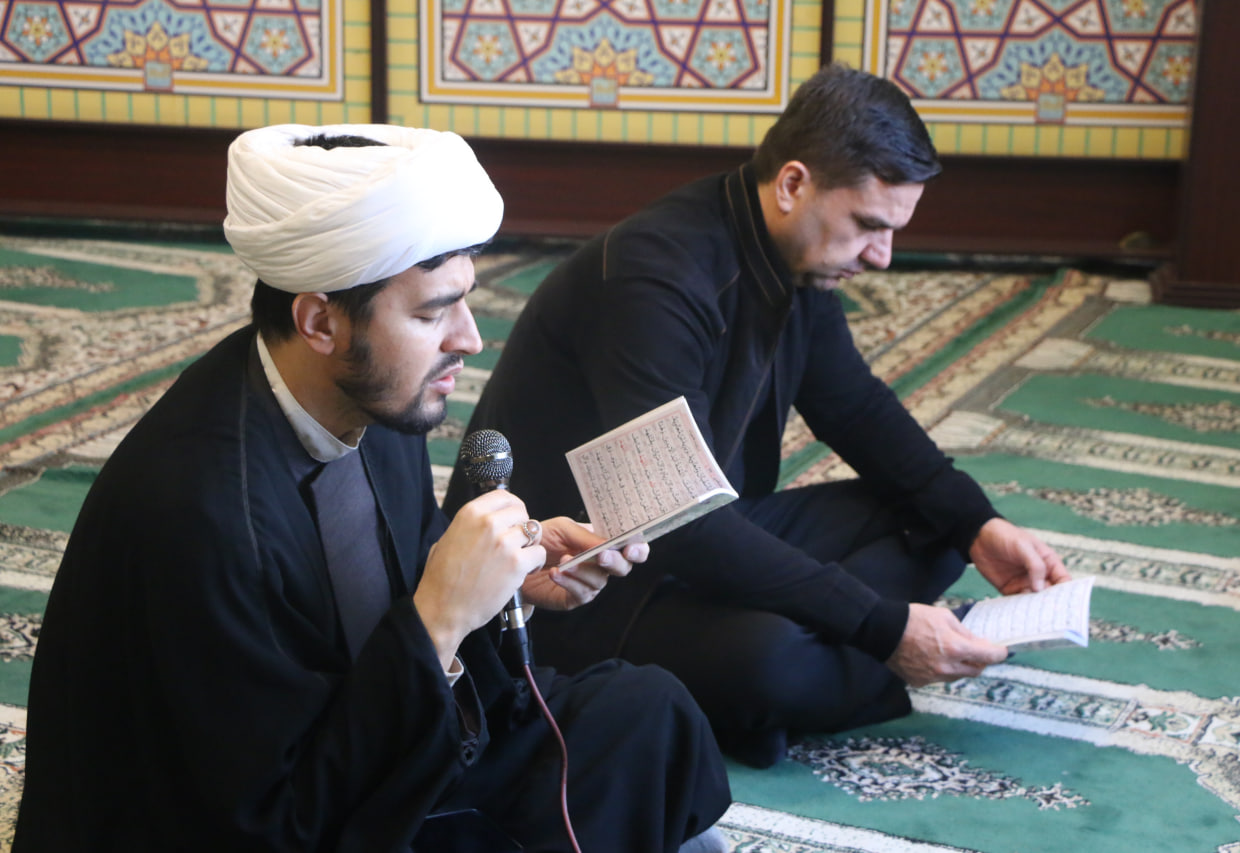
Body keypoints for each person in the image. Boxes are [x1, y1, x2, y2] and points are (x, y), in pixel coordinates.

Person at [14, 124, 730, 851]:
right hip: (271, 821)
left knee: (647, 716)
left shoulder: (372, 396)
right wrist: (439, 620)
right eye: (431, 312)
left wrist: (505, 579)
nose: (469, 338)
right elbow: (272, 822)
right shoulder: (201, 516)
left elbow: (393, 584)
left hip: (373, 751)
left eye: (464, 301)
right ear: (320, 321)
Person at [444, 64, 1071, 769]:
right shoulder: (655, 276)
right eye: (869, 225)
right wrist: (883, 627)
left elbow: (856, 409)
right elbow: (678, 521)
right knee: (771, 661)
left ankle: (787, 691)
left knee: (936, 526)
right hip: (580, 584)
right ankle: (789, 689)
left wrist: (979, 523)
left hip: (704, 536)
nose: (882, 256)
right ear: (793, 184)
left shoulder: (796, 258)